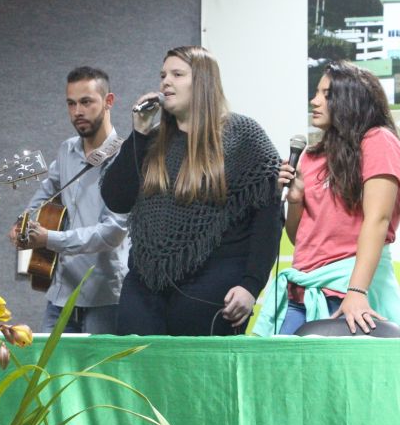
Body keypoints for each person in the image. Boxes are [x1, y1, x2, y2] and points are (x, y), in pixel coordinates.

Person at [101, 45, 282, 336]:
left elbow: (269, 219)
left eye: (177, 74)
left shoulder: (243, 135)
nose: (165, 82)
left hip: (214, 288)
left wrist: (251, 286)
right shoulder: (152, 139)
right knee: (137, 374)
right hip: (145, 287)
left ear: (202, 82)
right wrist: (138, 133)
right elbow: (116, 198)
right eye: (163, 75)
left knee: (199, 377)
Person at [254, 61, 400, 336]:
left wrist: (357, 291)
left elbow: (378, 219)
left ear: (351, 100)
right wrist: (295, 200)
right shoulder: (309, 156)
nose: (314, 101)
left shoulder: (378, 140)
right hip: (302, 290)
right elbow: (301, 239)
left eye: (326, 94)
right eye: (316, 93)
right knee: (278, 371)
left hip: (349, 287)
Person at [8, 66, 129, 334]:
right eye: (71, 104)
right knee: (47, 373)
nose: (77, 112)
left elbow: (112, 233)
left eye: (86, 102)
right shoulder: (66, 150)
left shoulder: (125, 157)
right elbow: (44, 193)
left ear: (109, 101)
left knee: (95, 376)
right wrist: (23, 224)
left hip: (104, 298)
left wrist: (49, 239)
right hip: (60, 293)